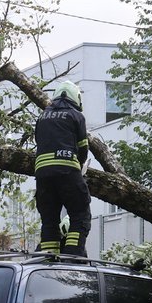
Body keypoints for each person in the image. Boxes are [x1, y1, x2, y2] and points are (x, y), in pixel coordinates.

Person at [34, 81, 91, 256]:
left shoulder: (42, 116)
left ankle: (49, 260)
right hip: (67, 171)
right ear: (76, 98)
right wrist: (80, 167)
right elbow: (83, 147)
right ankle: (72, 258)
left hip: (42, 175)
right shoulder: (76, 116)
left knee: (49, 220)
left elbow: (39, 142)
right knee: (80, 215)